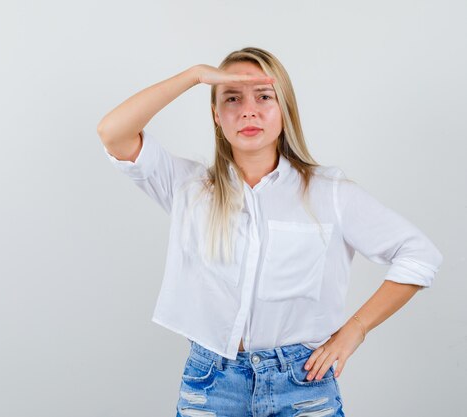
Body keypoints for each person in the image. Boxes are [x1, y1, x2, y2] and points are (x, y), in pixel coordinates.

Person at [96, 47, 442, 417]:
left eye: (263, 97)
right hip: (211, 385)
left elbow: (419, 255)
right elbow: (112, 133)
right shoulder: (189, 187)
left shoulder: (329, 193)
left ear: (285, 110)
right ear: (216, 114)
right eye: (232, 98)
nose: (248, 110)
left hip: (302, 385)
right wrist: (195, 75)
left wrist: (354, 330)